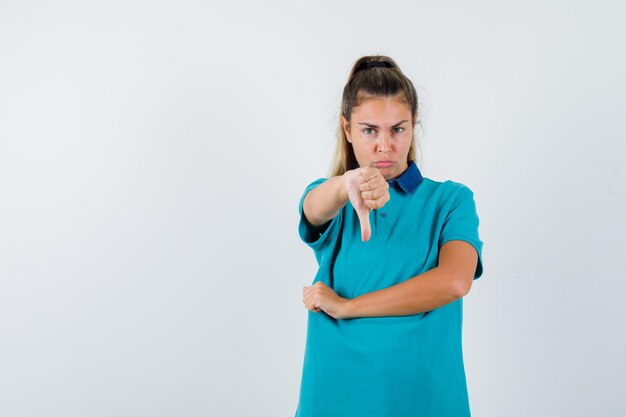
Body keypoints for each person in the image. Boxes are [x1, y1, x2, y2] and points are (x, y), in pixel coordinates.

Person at [294, 55, 485, 417]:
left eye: (397, 129)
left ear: (414, 126)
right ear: (347, 129)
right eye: (369, 130)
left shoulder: (451, 200)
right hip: (338, 399)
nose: (385, 146)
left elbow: (456, 281)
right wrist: (347, 184)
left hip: (423, 399)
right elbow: (312, 209)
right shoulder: (332, 197)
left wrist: (347, 307)